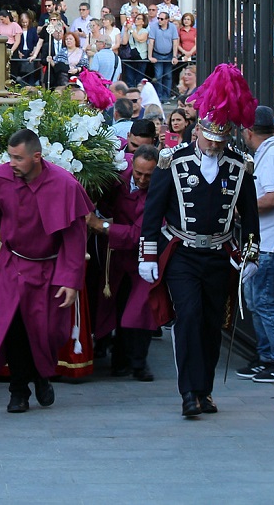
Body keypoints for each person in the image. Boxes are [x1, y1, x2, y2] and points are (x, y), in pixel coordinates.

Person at [139, 64, 260, 418]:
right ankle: (188, 393)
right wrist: (148, 255)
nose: (214, 146)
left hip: (220, 254)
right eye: (210, 140)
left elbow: (250, 217)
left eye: (221, 142)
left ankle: (204, 390)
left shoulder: (239, 166)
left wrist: (252, 255)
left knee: (211, 324)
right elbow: (152, 212)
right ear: (198, 133)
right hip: (182, 253)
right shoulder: (172, 161)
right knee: (188, 317)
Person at [0, 129, 90, 413]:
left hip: (50, 268)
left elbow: (75, 237)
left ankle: (42, 374)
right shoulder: (2, 177)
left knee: (47, 331)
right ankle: (18, 391)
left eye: (18, 158)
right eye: (10, 156)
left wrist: (71, 280)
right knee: (13, 329)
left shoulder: (65, 184)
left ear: (36, 157)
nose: (11, 163)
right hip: (13, 265)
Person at [235, 106, 274, 383]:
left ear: (248, 132)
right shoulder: (269, 151)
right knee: (255, 301)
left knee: (265, 302)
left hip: (272, 243)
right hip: (261, 241)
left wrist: (241, 209)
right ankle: (267, 356)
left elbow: (273, 197)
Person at [92, 144, 160, 380]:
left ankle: (139, 364)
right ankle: (119, 362)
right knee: (116, 306)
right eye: (138, 173)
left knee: (140, 311)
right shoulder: (118, 177)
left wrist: (103, 226)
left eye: (148, 176)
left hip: (145, 257)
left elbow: (138, 234)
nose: (141, 180)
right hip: (116, 256)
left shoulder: (160, 190)